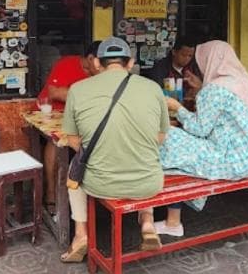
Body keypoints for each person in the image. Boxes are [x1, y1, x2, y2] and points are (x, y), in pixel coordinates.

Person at [60, 37, 169, 262]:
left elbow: (72, 140)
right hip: (148, 183)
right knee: (149, 156)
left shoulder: (77, 90)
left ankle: (81, 236)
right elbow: (160, 138)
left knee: (74, 167)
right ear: (130, 64)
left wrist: (101, 148)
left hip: (101, 184)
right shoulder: (153, 88)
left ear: (97, 63)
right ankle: (147, 222)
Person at [155, 40, 248, 237]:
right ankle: (173, 218)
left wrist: (177, 108)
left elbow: (199, 129)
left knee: (168, 137)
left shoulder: (214, 89)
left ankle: (163, 212)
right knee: (179, 146)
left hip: (230, 161)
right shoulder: (244, 83)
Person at [38, 41, 101, 212]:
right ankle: (50, 193)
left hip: (82, 117)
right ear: (90, 59)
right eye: (99, 63)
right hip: (53, 114)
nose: (101, 67)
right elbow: (54, 92)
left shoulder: (101, 73)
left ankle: (92, 191)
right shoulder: (66, 63)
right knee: (55, 141)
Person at [145, 35, 202, 102]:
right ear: (174, 52)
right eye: (183, 55)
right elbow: (156, 93)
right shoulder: (160, 68)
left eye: (190, 56)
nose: (187, 59)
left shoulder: (193, 67)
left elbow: (200, 88)